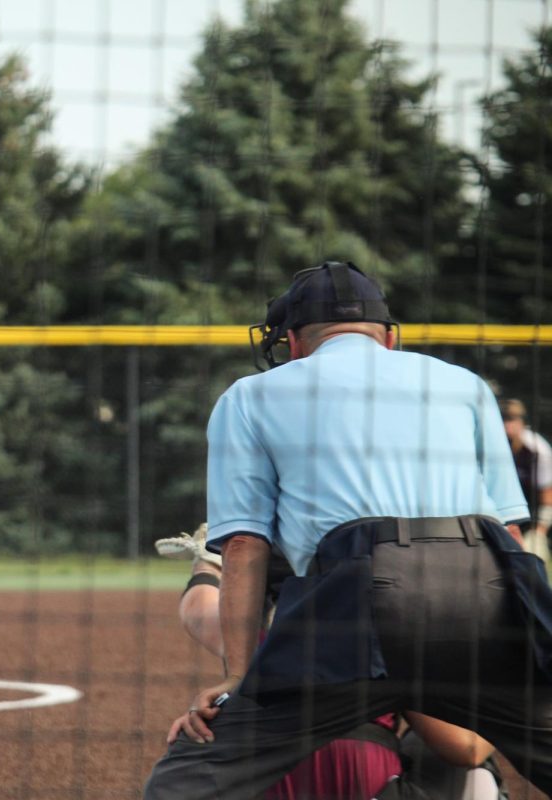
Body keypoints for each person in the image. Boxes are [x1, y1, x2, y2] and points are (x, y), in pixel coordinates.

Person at [143, 261, 552, 798]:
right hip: (482, 589)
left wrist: (240, 682)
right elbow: (512, 538)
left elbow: (244, 544)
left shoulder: (248, 395)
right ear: (387, 337)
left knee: (187, 781)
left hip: (352, 607)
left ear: (291, 341)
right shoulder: (466, 385)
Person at [158, 524, 506, 799]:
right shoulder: (385, 640)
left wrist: (210, 560)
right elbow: (468, 749)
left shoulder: (249, 643)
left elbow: (197, 608)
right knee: (472, 755)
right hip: (363, 780)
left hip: (263, 783)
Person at [500, 398, 552, 563]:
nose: (507, 424)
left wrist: (539, 532)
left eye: (512, 418)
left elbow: (547, 494)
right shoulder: (491, 446)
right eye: (503, 418)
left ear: (522, 421)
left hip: (530, 517)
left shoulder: (537, 449)